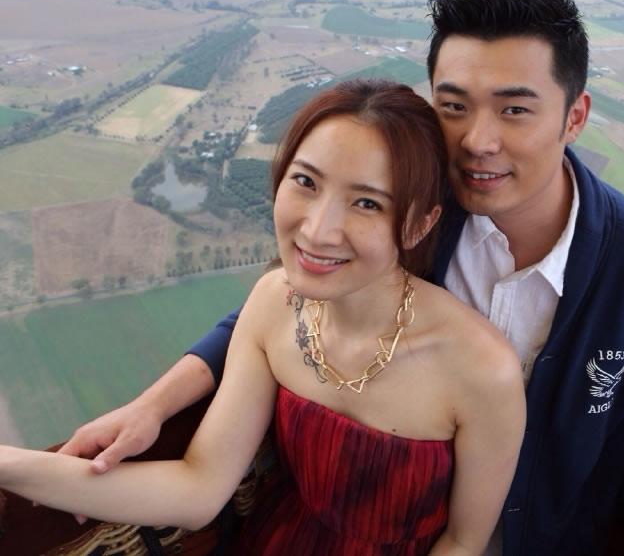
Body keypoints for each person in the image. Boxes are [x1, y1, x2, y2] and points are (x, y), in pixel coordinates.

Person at [55, 0, 624, 555]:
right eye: (453, 105)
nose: (477, 140)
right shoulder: (413, 214)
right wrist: (156, 405)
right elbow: (289, 304)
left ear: (575, 116)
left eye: (514, 109)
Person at [0, 80, 527, 555]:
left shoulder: (482, 370)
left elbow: (465, 541)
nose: (317, 230)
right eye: (306, 182)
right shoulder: (274, 304)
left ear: (418, 225)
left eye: (367, 204)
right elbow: (199, 488)